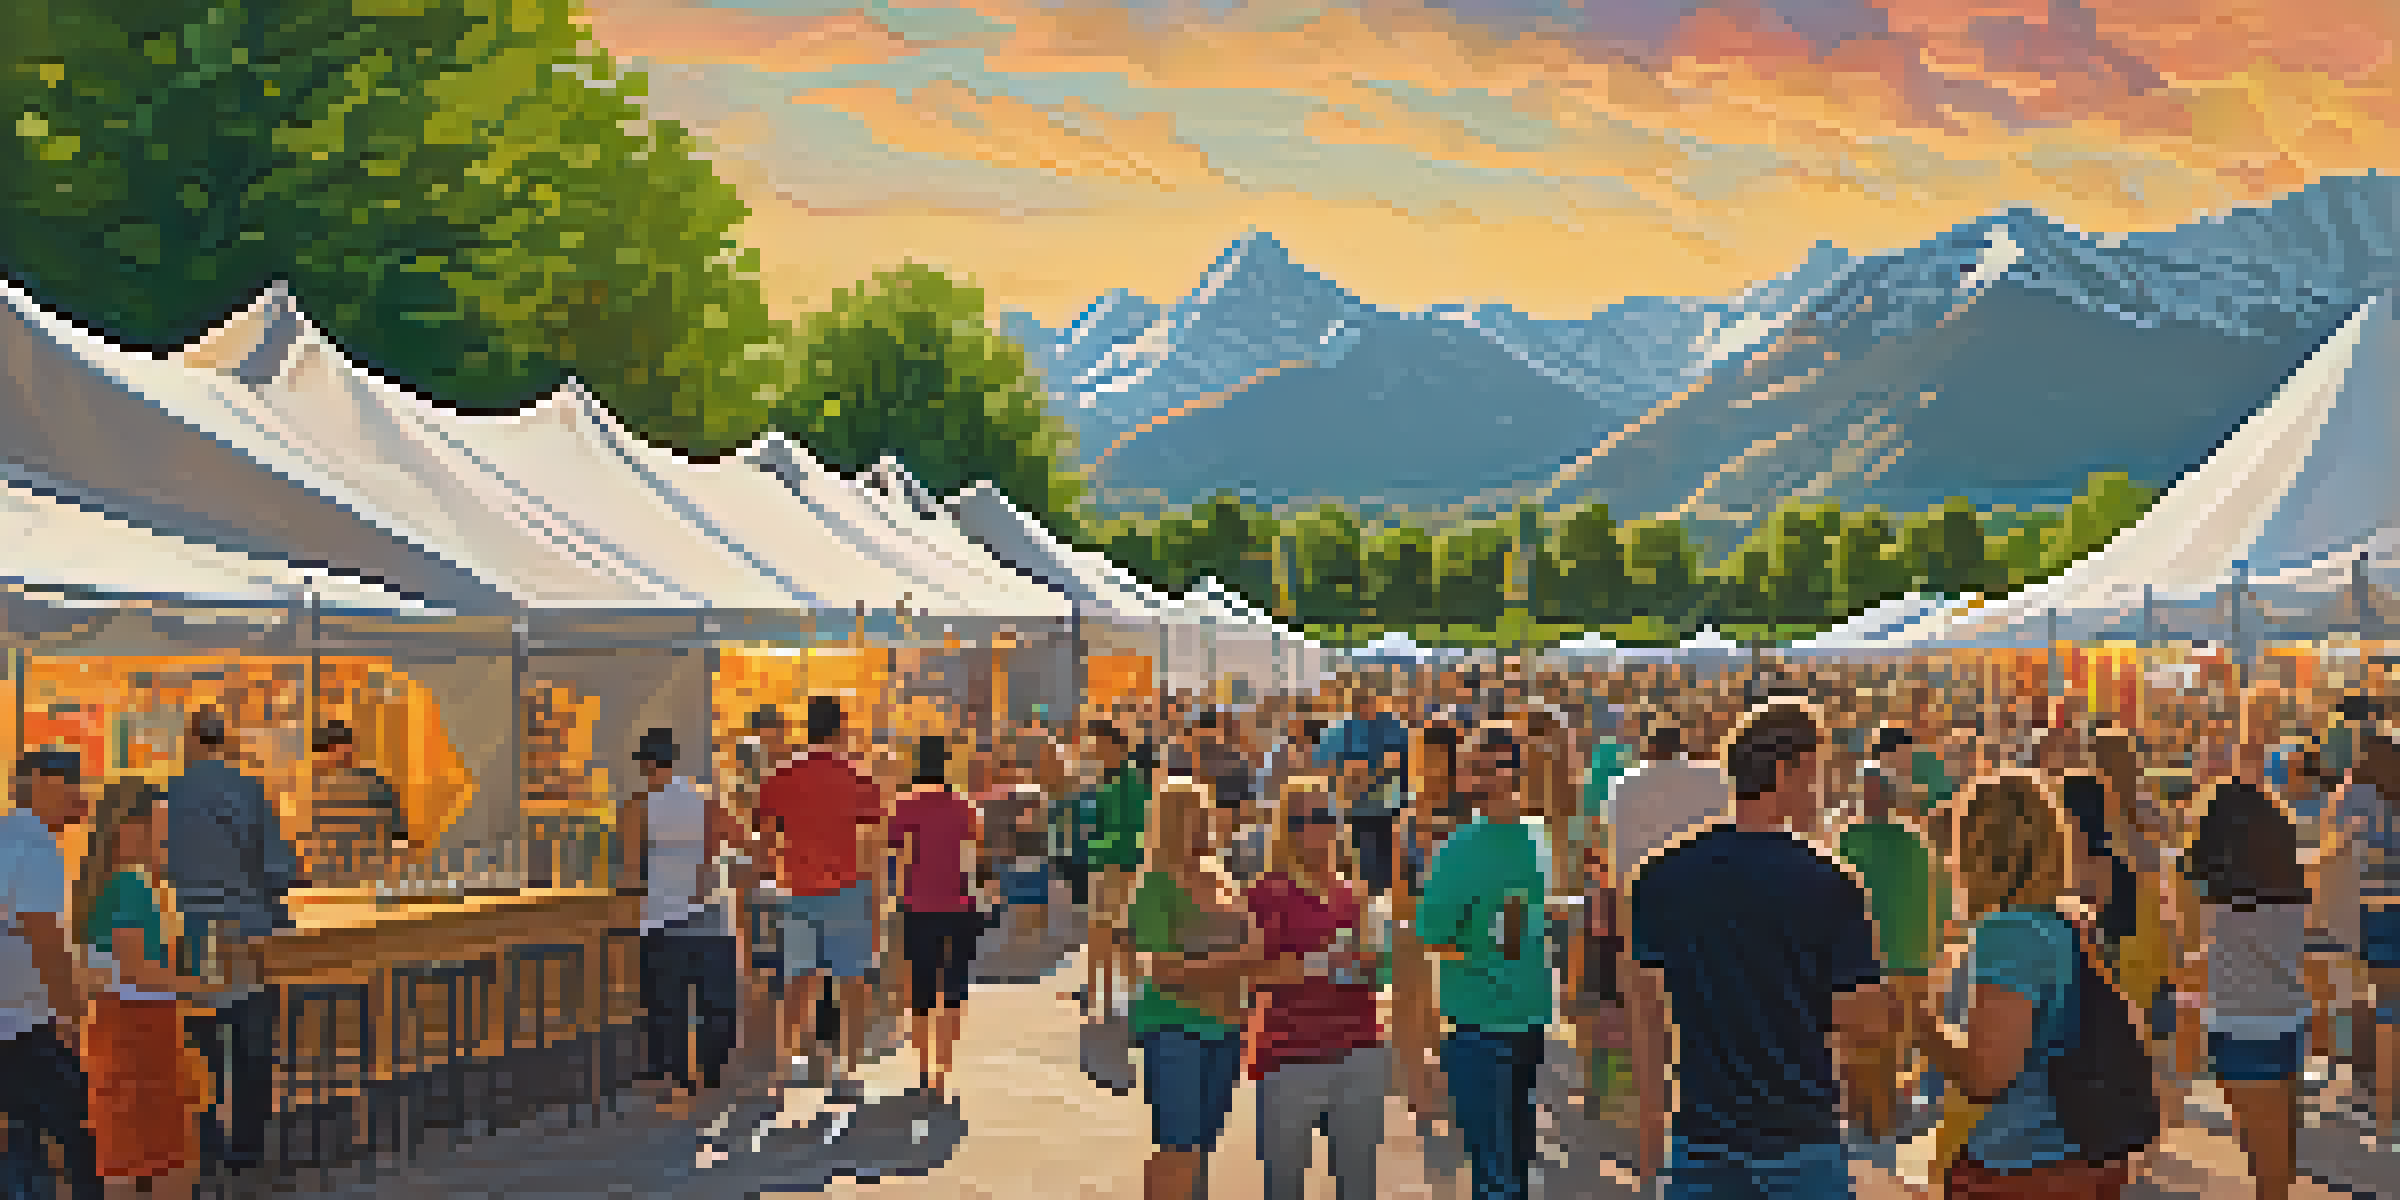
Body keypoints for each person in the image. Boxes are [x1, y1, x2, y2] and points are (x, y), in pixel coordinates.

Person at [1628, 701, 1888, 1198]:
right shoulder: (1828, 883)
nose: (1822, 789)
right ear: (1786, 771)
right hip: (1800, 1137)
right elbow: (1865, 1022)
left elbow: (1646, 1014)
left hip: (1700, 1137)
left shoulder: (1661, 876)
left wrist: (1650, 1134)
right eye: (1816, 774)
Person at [1909, 771, 2127, 1199]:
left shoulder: (2010, 932)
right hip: (2077, 1150)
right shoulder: (2065, 921)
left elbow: (1987, 1077)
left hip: (2016, 1161)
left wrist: (1918, 1023)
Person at [1415, 724, 1553, 1200]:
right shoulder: (1466, 848)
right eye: (1477, 763)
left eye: (1493, 762)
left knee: (1508, 1169)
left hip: (1517, 1022)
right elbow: (1433, 934)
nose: (1483, 772)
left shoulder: (1530, 839)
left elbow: (1435, 933)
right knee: (1502, 1174)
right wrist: (1486, 946)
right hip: (1486, 1023)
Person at [161, 707, 293, 1178]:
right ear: (224, 740)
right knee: (251, 1041)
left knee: (201, 1043)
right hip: (246, 928)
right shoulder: (248, 789)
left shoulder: (170, 794)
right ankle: (247, 1146)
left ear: (190, 740)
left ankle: (207, 1137)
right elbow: (279, 867)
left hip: (193, 930)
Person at [74, 781, 220, 1199]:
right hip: (143, 1031)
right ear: (130, 827)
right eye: (160, 824)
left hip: (115, 1027)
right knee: (169, 1158)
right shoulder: (131, 887)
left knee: (123, 1154)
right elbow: (138, 970)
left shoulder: (103, 884)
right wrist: (201, 985)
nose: (167, 836)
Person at [1244, 779, 1387, 1200]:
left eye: (1328, 817)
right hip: (1290, 1056)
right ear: (1287, 827)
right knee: (1285, 1185)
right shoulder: (1266, 892)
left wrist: (1373, 963)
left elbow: (1373, 973)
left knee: (1358, 1184)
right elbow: (1254, 974)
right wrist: (1320, 963)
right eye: (1309, 819)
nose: (1322, 829)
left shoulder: (1354, 892)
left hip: (1359, 1047)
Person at [1129, 779, 1260, 1200]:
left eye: (1202, 813)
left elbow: (1255, 942)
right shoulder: (1155, 884)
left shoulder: (1221, 875)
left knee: (1202, 1148)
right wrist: (1235, 963)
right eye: (1186, 815)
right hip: (1174, 1028)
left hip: (1225, 1028)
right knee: (1178, 1147)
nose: (1200, 824)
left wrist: (1222, 968)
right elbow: (1165, 973)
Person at [753, 696, 886, 1105]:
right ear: (840, 728)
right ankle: (847, 1067)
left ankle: (782, 1065)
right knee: (852, 982)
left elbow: (764, 836)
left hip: (796, 889)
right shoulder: (858, 776)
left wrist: (778, 871)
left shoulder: (780, 776)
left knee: (796, 981)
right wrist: (877, 898)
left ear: (807, 728)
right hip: (848, 889)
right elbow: (872, 842)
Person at [2184, 779, 2312, 1200]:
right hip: (2288, 1022)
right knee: (2280, 1169)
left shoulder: (2207, 895)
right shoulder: (2292, 891)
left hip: (2237, 1027)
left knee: (2266, 1166)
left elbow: (2186, 952)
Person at [1834, 724, 1948, 1144]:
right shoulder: (1919, 844)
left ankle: (1869, 1123)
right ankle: (1882, 1120)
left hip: (1868, 960)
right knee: (1897, 1046)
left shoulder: (1847, 841)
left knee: (1862, 1047)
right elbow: (1938, 902)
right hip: (1914, 958)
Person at [0, 751, 102, 1200]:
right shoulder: (36, 848)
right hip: (27, 1025)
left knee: (21, 1138)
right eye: (73, 788)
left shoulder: (7, 837)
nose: (81, 804)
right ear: (44, 785)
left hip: (12, 1023)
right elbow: (43, 937)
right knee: (83, 1135)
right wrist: (72, 1013)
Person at [627, 728, 741, 1119]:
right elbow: (742, 839)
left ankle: (677, 1077)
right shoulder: (707, 802)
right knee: (715, 1001)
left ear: (645, 765)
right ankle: (711, 1071)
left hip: (661, 917)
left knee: (668, 1003)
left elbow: (629, 869)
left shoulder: (638, 807)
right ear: (673, 761)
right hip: (710, 916)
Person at [888, 735, 986, 1100]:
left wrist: (896, 897)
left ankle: (924, 1066)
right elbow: (975, 854)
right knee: (954, 988)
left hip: (917, 905)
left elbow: (896, 858)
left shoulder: (904, 806)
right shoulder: (963, 806)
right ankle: (944, 1068)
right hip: (959, 903)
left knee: (921, 988)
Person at [2333, 723, 2400, 1148]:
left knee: (2382, 1008)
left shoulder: (2354, 795)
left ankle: (2383, 1110)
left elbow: (2337, 846)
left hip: (2374, 910)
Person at [1083, 721, 1150, 1025]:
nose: (1095, 752)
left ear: (1116, 746)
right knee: (1101, 934)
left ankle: (1127, 998)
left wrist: (1095, 847)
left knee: (1120, 936)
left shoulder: (1129, 781)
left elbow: (1131, 832)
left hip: (1120, 868)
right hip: (1106, 866)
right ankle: (1101, 996)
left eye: (1099, 746)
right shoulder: (1110, 778)